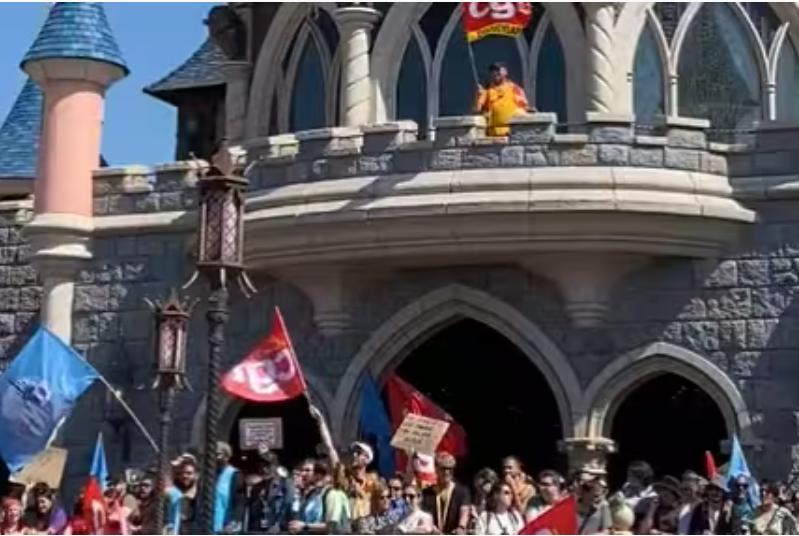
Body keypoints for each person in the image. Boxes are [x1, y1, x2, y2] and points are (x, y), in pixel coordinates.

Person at [245, 447, 294, 533]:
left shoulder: (286, 484)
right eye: (261, 466)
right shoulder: (257, 487)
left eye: (267, 466)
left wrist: (278, 525)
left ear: (275, 466)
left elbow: (288, 507)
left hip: (279, 530)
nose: (264, 469)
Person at [474, 62, 529, 136]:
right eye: (492, 71)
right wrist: (478, 96)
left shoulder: (514, 88)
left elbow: (524, 108)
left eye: (498, 70)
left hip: (512, 134)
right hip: (493, 135)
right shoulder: (487, 91)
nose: (495, 73)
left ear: (505, 72)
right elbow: (476, 110)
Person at [421, 452, 471, 534]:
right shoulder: (427, 493)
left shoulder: (462, 491)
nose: (447, 472)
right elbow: (425, 515)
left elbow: (464, 511)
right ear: (436, 469)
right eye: (443, 468)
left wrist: (461, 527)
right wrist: (432, 528)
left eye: (450, 469)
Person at [214, 441, 244, 534]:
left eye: (218, 454)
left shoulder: (235, 475)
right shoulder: (210, 474)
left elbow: (239, 501)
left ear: (227, 456)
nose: (214, 457)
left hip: (226, 527)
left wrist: (234, 522)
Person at [166, 453, 200, 534]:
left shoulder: (200, 493)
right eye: (182, 473)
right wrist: (173, 466)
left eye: (189, 473)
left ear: (196, 475)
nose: (185, 476)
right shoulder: (175, 492)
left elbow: (190, 496)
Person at [620, 460, 659, 531]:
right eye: (628, 475)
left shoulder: (651, 496)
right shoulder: (626, 486)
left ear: (641, 477)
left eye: (631, 476)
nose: (628, 478)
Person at [348, 442, 378, 520]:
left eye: (358, 453)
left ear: (367, 459)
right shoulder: (345, 477)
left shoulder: (372, 481)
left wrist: (361, 492)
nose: (354, 455)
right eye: (353, 452)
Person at [128, 471, 158, 535]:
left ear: (153, 487)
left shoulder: (156, 505)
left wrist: (142, 528)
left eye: (146, 485)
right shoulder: (136, 501)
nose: (142, 488)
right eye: (141, 485)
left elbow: (157, 525)